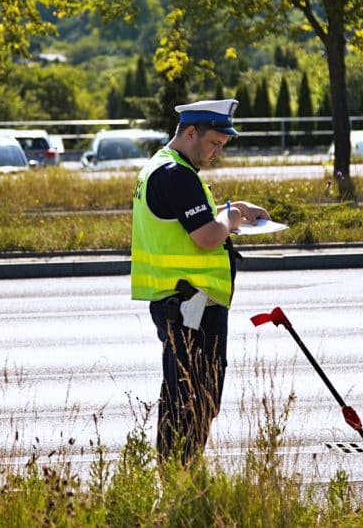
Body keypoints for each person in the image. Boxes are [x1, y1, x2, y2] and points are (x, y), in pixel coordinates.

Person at [131, 98, 270, 464]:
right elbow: (207, 236)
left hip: (183, 305)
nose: (217, 153)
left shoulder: (166, 168)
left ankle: (177, 476)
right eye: (213, 143)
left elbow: (193, 220)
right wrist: (232, 220)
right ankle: (182, 479)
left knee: (181, 396)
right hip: (191, 308)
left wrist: (235, 208)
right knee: (195, 399)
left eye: (222, 147)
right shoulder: (176, 175)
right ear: (190, 132)